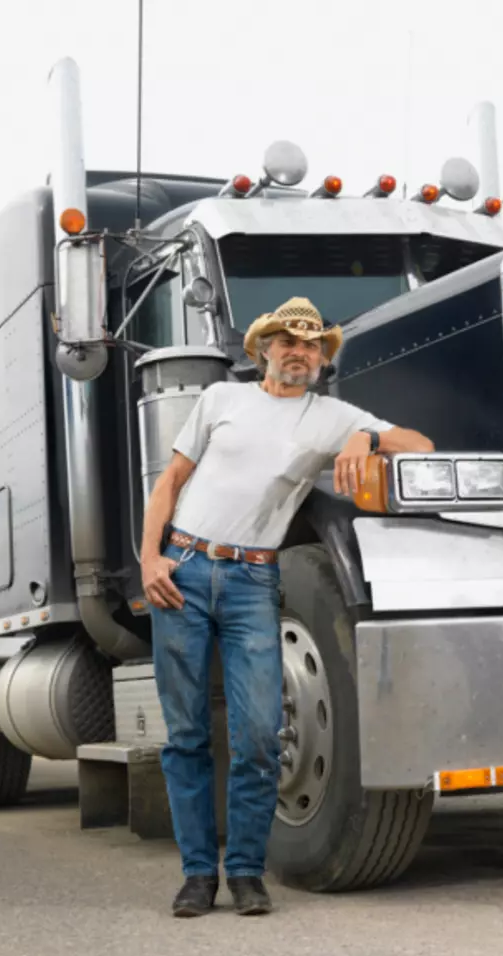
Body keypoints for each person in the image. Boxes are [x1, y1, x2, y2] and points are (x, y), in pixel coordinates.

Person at [139, 296, 434, 918]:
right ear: (265, 349)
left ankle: (246, 871)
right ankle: (198, 875)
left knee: (258, 736)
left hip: (252, 581)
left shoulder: (332, 416)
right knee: (187, 735)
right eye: (289, 342)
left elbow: (421, 443)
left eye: (314, 346)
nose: (301, 353)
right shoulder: (221, 399)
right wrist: (150, 558)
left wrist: (368, 435)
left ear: (322, 360)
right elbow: (168, 482)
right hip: (184, 571)